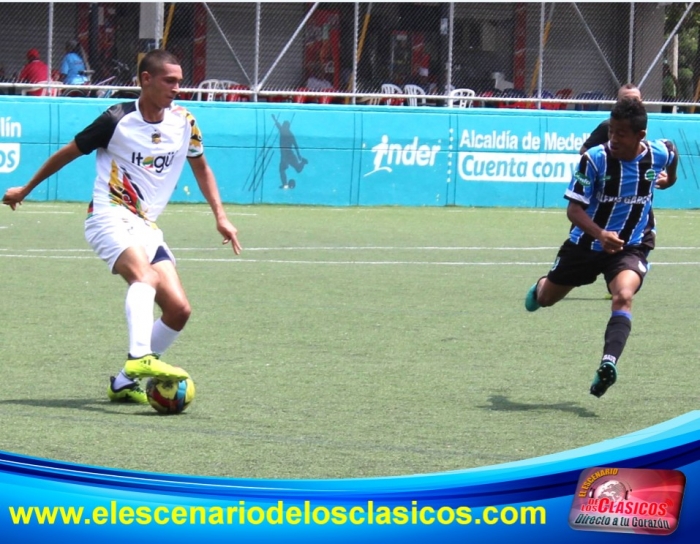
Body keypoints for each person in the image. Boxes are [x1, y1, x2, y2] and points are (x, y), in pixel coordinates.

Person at [2, 49, 242, 404]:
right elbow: (67, 153)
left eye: (179, 81)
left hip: (146, 225)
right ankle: (140, 356)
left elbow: (201, 167)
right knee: (144, 277)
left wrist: (220, 216)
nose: (177, 88)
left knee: (179, 310)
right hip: (108, 215)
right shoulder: (116, 120)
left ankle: (125, 382)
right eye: (169, 81)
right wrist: (26, 188)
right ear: (146, 79)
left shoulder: (184, 122)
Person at [524, 98, 679, 398]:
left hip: (631, 245)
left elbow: (672, 153)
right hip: (585, 245)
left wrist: (669, 180)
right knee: (546, 299)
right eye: (611, 131)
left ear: (640, 136)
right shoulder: (594, 160)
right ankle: (541, 286)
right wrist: (600, 234)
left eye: (622, 133)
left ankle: (608, 363)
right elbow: (574, 211)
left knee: (623, 295)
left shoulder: (657, 153)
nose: (614, 138)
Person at [579, 84, 663, 300]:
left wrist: (665, 176)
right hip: (608, 201)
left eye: (636, 99)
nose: (632, 103)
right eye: (627, 99)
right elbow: (584, 150)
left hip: (638, 199)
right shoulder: (608, 127)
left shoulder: (641, 125)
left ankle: (628, 273)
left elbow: (662, 156)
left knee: (644, 235)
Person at [272, 114, 308, 189]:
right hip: (287, 155)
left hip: (287, 155)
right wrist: (274, 118)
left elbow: (295, 145)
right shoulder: (286, 132)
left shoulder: (286, 133)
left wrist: (298, 155)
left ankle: (303, 162)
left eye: (284, 125)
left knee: (285, 169)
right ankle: (285, 184)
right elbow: (278, 125)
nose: (283, 126)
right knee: (287, 169)